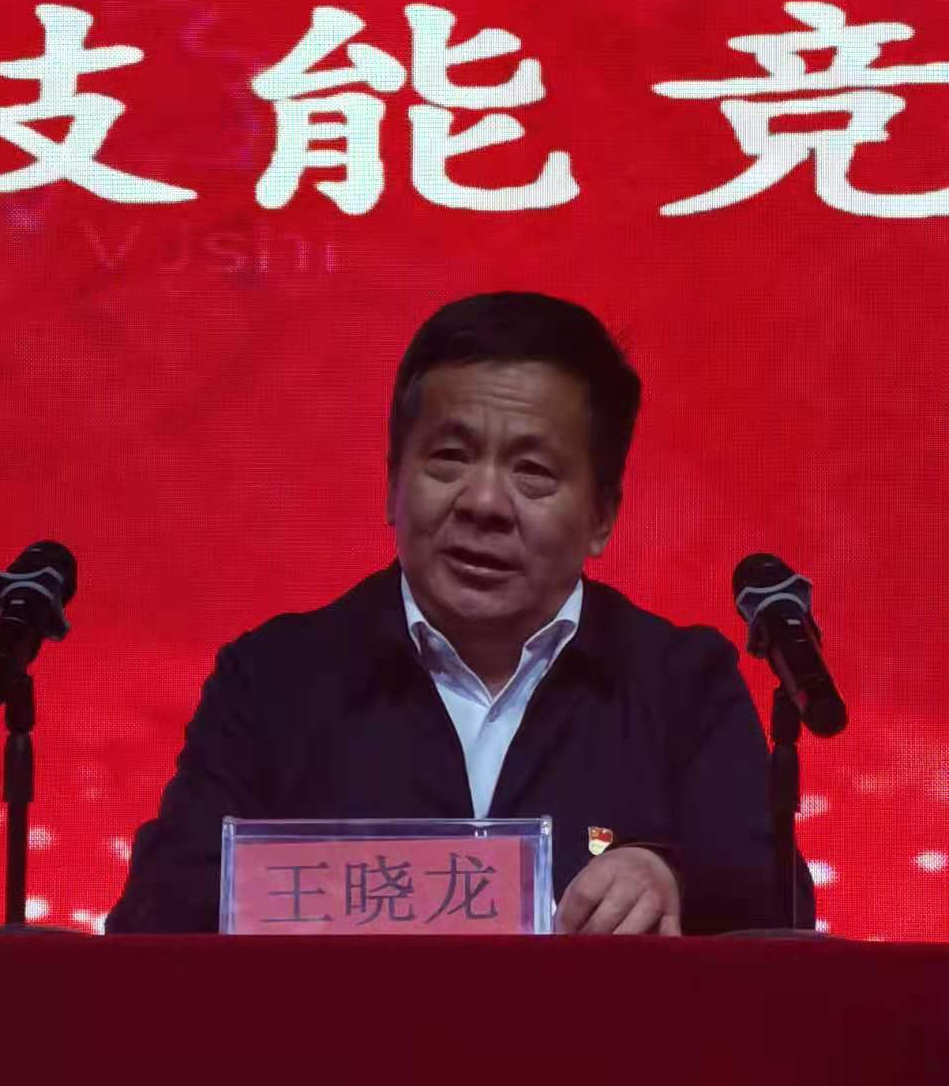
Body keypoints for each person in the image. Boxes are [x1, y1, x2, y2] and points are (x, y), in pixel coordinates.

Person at [106, 291, 813, 936]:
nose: (483, 503)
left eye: (533, 472)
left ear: (602, 516)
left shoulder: (682, 683)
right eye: (449, 458)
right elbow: (157, 916)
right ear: (393, 482)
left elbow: (777, 903)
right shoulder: (274, 680)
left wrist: (669, 875)